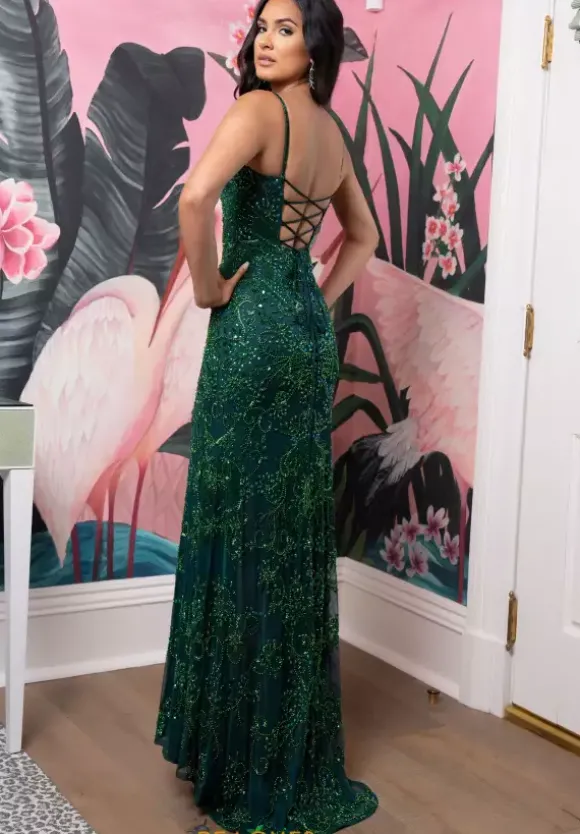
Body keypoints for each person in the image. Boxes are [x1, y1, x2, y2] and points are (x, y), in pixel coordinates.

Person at [155, 0, 380, 830]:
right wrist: (314, 295)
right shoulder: (331, 133)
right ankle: (282, 750)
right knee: (286, 533)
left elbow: (195, 200)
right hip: (304, 330)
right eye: (262, 25)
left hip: (250, 331)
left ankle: (232, 755)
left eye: (286, 28)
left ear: (316, 47)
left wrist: (210, 290)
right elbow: (363, 235)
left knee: (235, 518)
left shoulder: (257, 112)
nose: (264, 40)